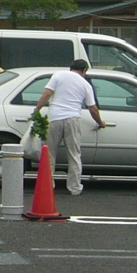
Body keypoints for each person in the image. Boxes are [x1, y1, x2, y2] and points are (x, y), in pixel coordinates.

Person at [30, 59, 106, 196]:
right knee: (74, 155)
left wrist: (36, 110)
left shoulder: (58, 75)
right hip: (72, 119)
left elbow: (47, 94)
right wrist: (100, 122)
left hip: (54, 118)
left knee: (49, 154)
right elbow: (93, 109)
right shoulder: (85, 84)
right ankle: (74, 187)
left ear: (71, 68)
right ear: (84, 71)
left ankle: (48, 185)